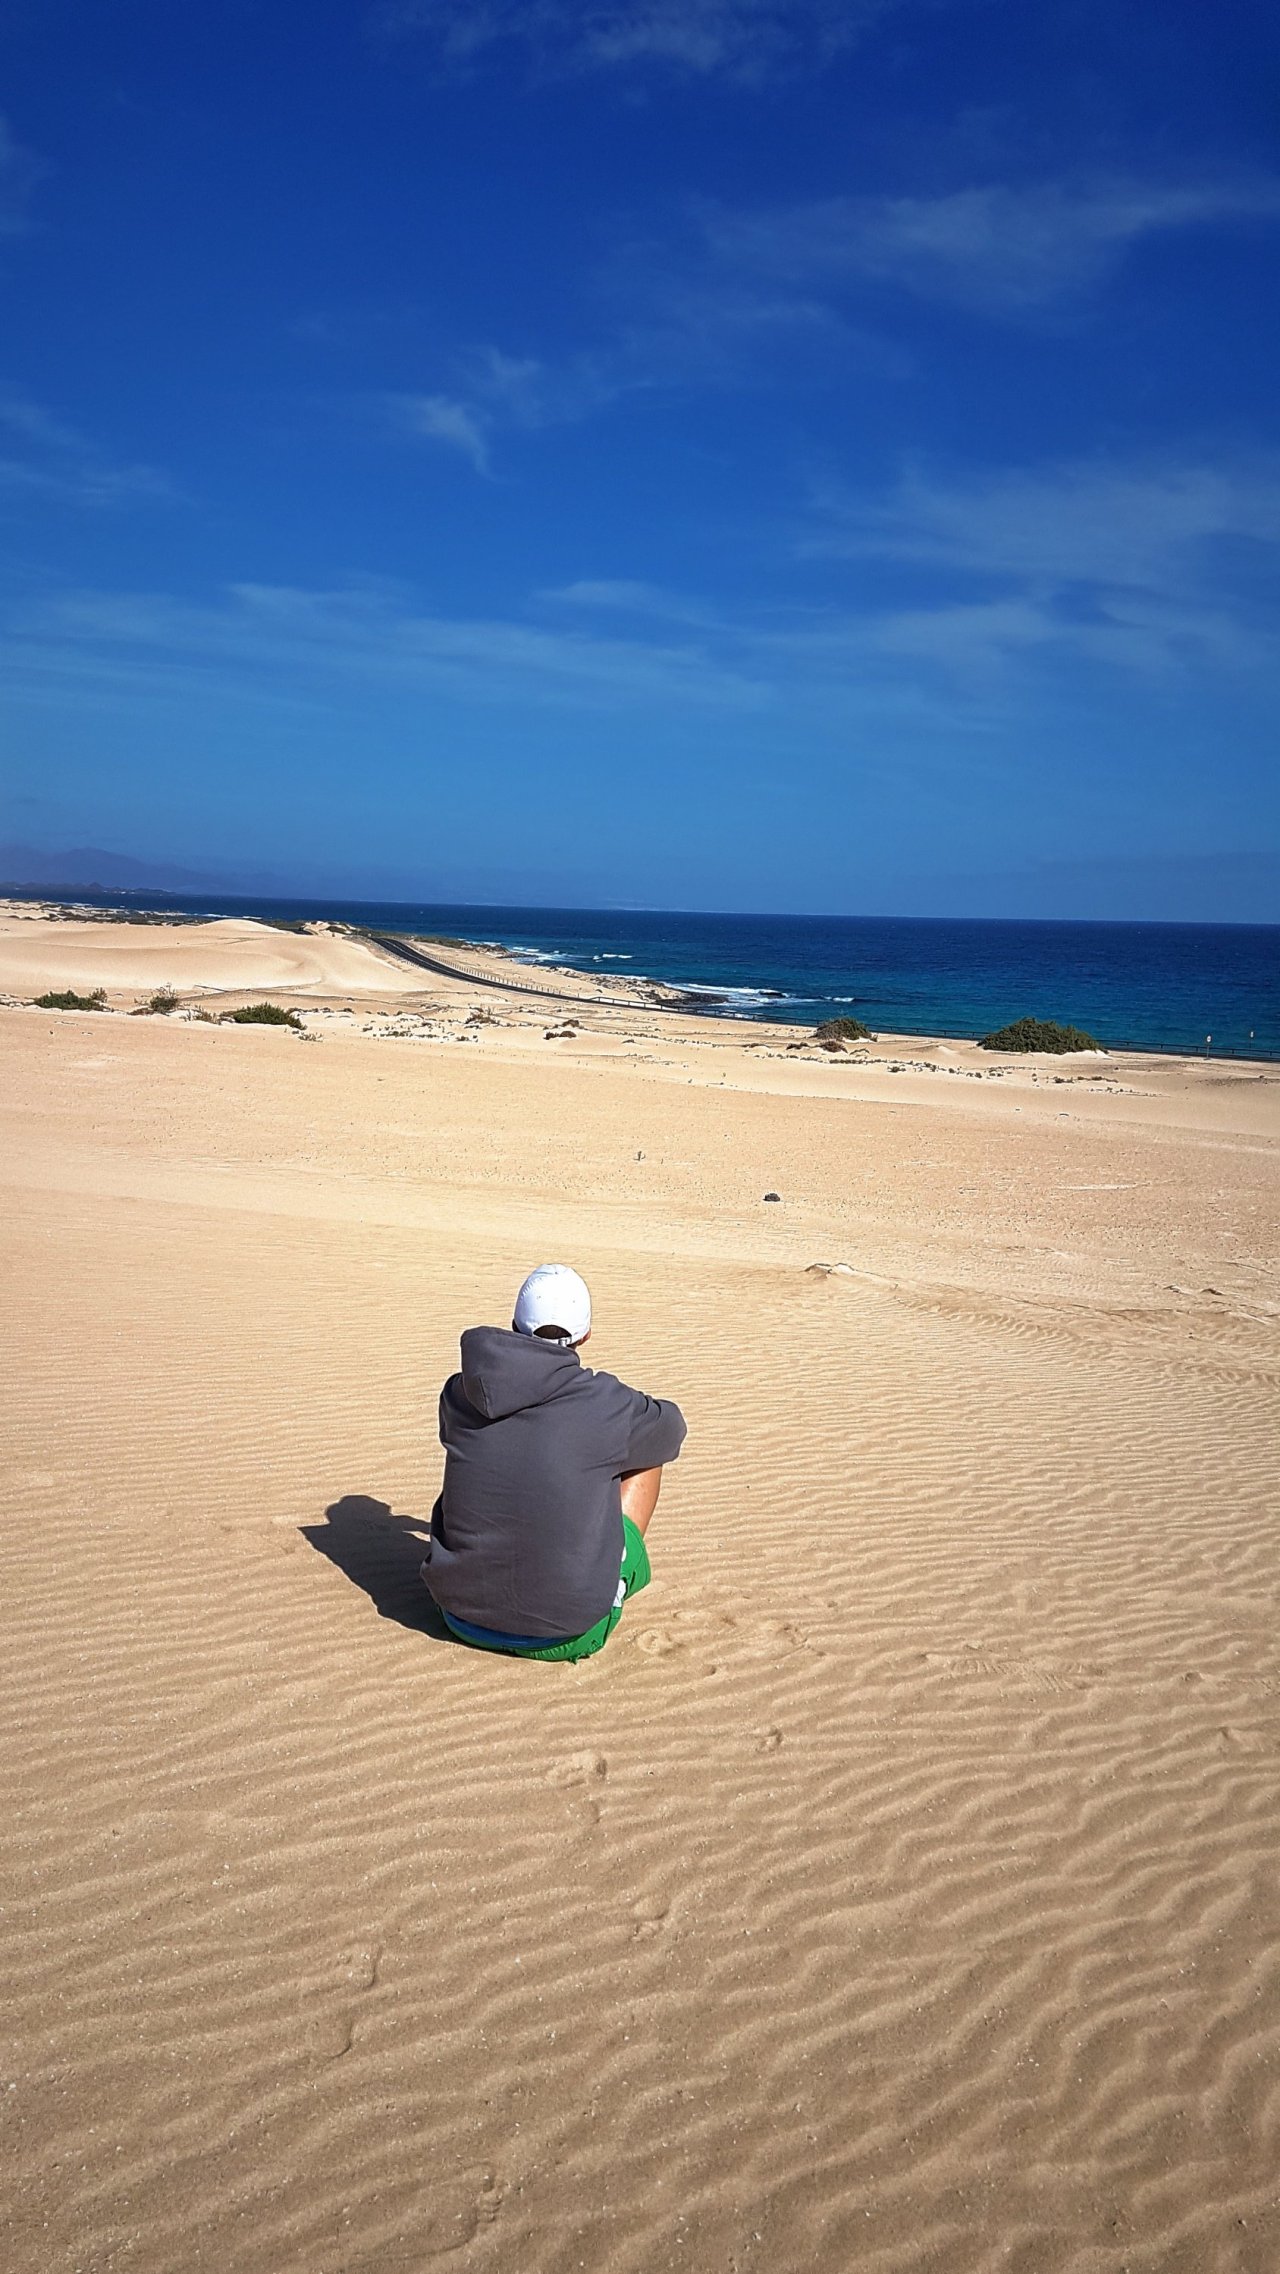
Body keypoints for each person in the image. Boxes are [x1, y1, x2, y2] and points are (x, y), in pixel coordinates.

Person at [421, 1263, 686, 1662]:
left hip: (456, 1615)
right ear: (586, 1334)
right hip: (566, 1633)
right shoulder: (606, 1403)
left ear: (514, 1323)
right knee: (645, 1456)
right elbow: (671, 1428)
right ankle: (612, 1573)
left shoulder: (459, 1393)